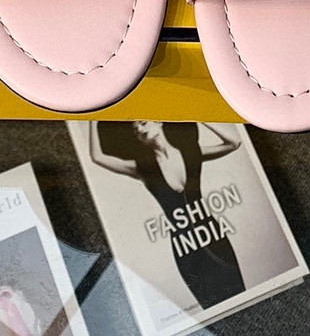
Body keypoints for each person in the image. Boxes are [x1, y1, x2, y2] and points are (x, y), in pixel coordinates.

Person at [89, 121, 245, 309]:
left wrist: (199, 116)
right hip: (185, 249)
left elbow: (234, 142)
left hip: (214, 237)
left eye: (143, 123)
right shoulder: (143, 168)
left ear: (159, 122)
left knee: (240, 297)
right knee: (213, 307)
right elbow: (97, 157)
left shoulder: (190, 152)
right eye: (135, 130)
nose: (140, 130)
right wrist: (93, 120)